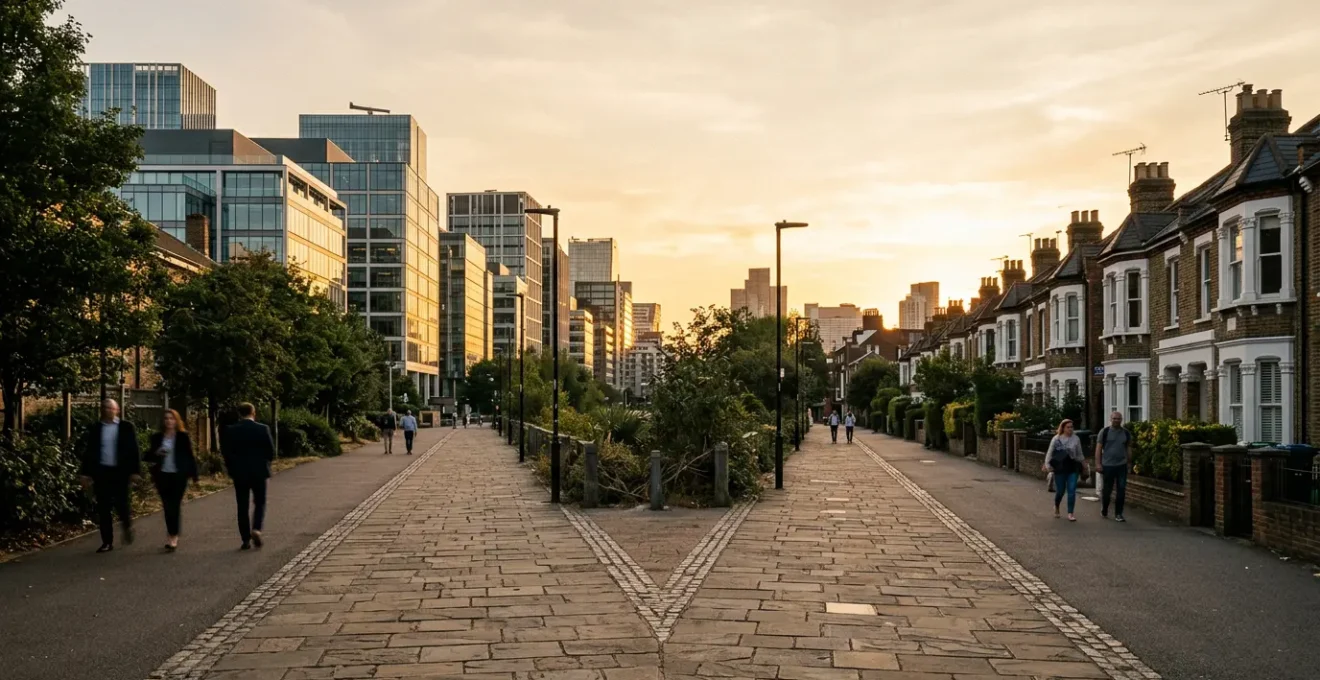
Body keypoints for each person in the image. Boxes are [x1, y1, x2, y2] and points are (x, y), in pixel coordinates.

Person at [78, 399, 142, 553]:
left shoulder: (126, 427)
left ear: (117, 410)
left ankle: (127, 527)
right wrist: (85, 473)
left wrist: (135, 471)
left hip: (120, 473)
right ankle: (107, 542)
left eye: (110, 408)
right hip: (102, 472)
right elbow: (90, 452)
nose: (107, 410)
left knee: (122, 505)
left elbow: (134, 450)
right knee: (103, 508)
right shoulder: (96, 428)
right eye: (105, 408)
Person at [221, 402, 274, 550]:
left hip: (240, 473)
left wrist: (232, 469)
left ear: (239, 414)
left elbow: (226, 453)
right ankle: (256, 528)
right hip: (259, 472)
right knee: (260, 502)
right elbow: (270, 451)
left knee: (242, 506)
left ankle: (245, 539)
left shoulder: (231, 430)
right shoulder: (263, 429)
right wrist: (265, 464)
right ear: (253, 413)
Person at [147, 409, 198, 551]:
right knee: (167, 506)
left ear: (176, 421)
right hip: (162, 476)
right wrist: (157, 453)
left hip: (178, 476)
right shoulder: (157, 437)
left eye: (171, 418)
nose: (169, 421)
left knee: (174, 506)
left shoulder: (182, 437)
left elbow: (190, 456)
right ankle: (171, 532)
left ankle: (173, 536)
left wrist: (195, 476)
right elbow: (148, 455)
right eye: (166, 418)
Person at [1043, 419, 1086, 521]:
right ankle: (1056, 506)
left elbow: (1079, 453)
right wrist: (1048, 465)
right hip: (1060, 467)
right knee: (1060, 491)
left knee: (1072, 490)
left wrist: (1084, 465)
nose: (1070, 429)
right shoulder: (1056, 439)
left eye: (1072, 427)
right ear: (1063, 428)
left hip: (1072, 467)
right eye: (1068, 427)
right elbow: (1050, 453)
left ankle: (1070, 513)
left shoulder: (1076, 439)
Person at [1096, 411, 1132, 522]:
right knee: (1107, 490)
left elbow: (1129, 448)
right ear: (1110, 419)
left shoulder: (1126, 433)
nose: (1117, 420)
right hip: (1108, 465)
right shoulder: (1105, 432)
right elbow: (1098, 448)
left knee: (1121, 490)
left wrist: (1129, 463)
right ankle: (1105, 509)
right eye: (1115, 418)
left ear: (1121, 420)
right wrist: (1098, 464)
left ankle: (1119, 514)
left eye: (1119, 419)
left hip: (1121, 465)